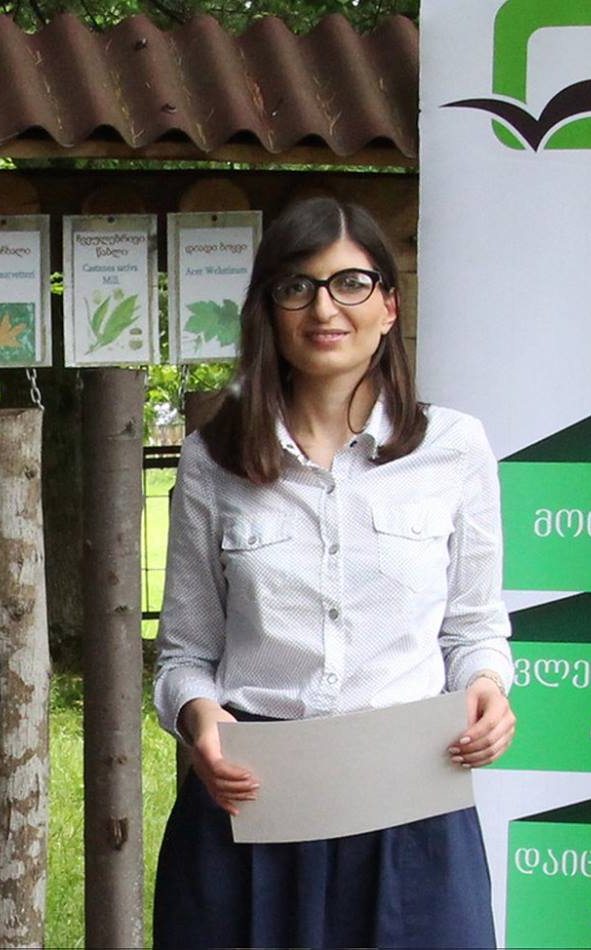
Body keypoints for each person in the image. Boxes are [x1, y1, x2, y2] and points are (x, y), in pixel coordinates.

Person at [152, 197, 515, 949]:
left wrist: (486, 686)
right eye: (298, 286)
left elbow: (474, 629)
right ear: (268, 311)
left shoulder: (454, 448)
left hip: (412, 815)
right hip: (254, 812)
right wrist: (199, 719)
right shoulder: (212, 459)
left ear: (389, 305)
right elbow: (185, 655)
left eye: (350, 283)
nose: (325, 307)